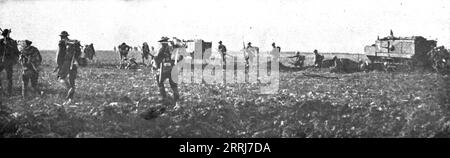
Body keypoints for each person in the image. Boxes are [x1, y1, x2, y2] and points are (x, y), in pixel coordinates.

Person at [55, 31, 82, 105]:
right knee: (72, 80)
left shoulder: (62, 43)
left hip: (66, 63)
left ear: (61, 36)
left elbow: (59, 56)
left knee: (61, 78)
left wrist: (59, 65)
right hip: (74, 63)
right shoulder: (73, 43)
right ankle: (70, 98)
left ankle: (68, 88)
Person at [154, 36, 183, 102]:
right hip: (173, 68)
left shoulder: (162, 49)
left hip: (164, 69)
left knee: (160, 81)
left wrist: (157, 62)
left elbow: (157, 58)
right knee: (174, 85)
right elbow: (180, 57)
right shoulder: (173, 48)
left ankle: (163, 97)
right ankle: (176, 99)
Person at [0, 29, 20, 96]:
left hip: (9, 62)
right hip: (1, 62)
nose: (6, 36)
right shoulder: (1, 41)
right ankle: (2, 90)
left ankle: (9, 93)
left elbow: (16, 52)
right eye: (5, 35)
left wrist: (8, 45)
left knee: (9, 77)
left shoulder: (12, 42)